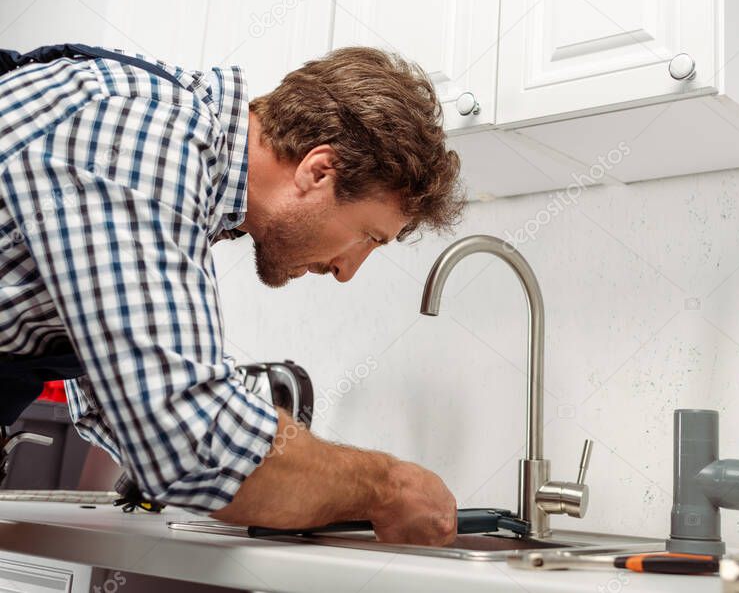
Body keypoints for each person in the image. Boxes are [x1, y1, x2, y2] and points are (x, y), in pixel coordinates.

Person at [0, 44, 463, 545]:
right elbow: (188, 440)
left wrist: (297, 482)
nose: (348, 270)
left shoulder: (176, 156)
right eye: (369, 237)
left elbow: (118, 408)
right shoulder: (143, 131)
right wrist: (387, 487)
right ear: (319, 170)